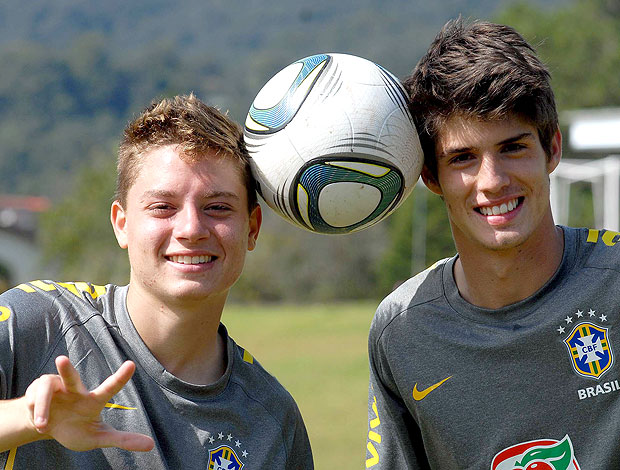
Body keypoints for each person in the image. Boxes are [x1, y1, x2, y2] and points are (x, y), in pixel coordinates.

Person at [0, 94, 314, 469]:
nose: (191, 229)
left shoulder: (273, 418)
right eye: (163, 207)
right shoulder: (36, 323)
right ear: (122, 223)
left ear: (251, 227)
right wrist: (29, 418)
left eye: (218, 207)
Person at [366, 18, 620, 469]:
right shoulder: (402, 330)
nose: (493, 181)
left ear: (552, 149)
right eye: (463, 158)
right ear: (431, 177)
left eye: (513, 147)